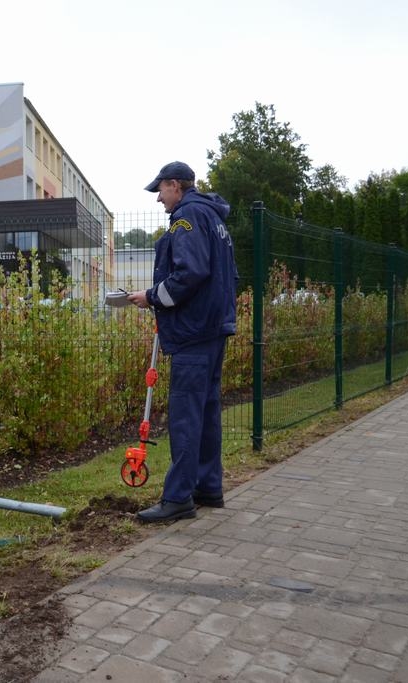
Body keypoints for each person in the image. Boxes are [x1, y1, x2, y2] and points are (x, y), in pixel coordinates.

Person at [126, 161, 238, 523]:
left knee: (186, 414)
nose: (159, 199)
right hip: (214, 326)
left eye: (160, 190)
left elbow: (191, 273)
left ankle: (178, 498)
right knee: (206, 410)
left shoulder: (188, 217)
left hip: (193, 331)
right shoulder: (215, 218)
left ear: (175, 185)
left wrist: (152, 297)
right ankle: (208, 487)